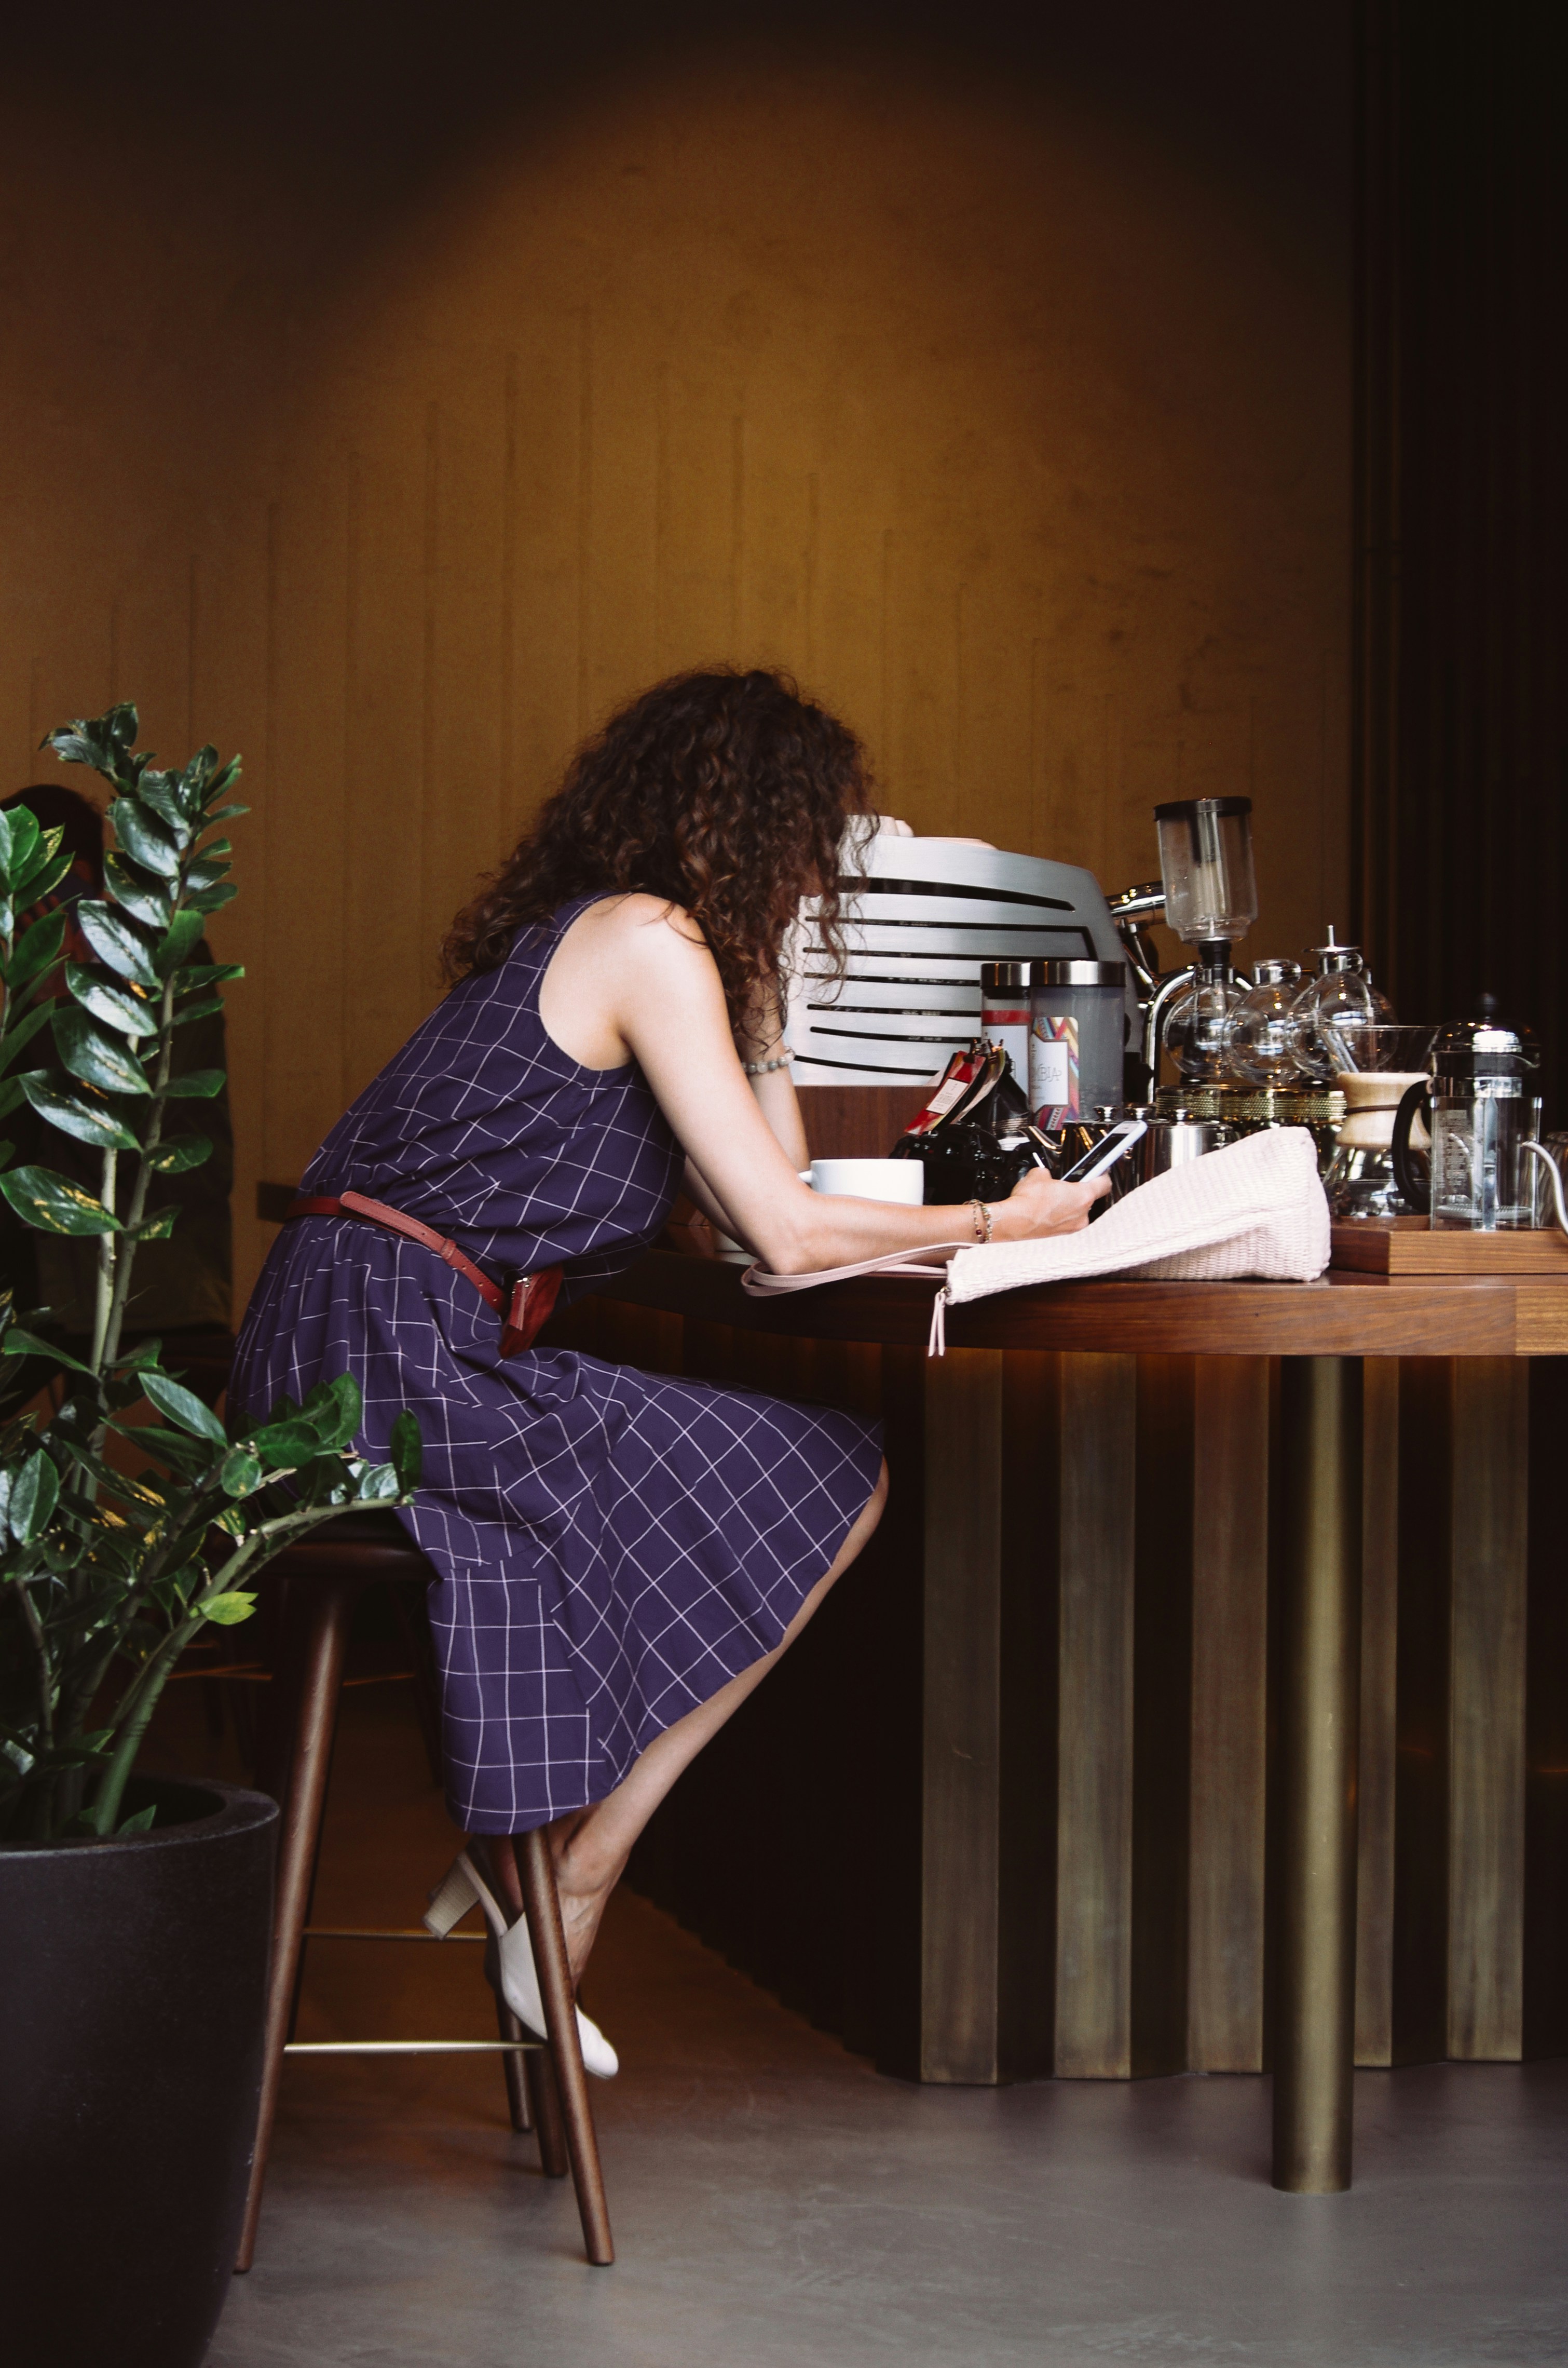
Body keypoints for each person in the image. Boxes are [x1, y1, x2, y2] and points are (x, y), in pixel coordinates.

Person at [230, 668, 1102, 2068]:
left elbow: (773, 1226)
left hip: (348, 1341)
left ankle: (532, 1846)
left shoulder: (607, 938)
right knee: (827, 1473)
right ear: (762, 827)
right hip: (391, 1362)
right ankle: (567, 1874)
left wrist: (766, 1009)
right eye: (814, 848)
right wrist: (1012, 1215)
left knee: (767, 1472)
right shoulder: (645, 943)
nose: (820, 882)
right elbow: (789, 1225)